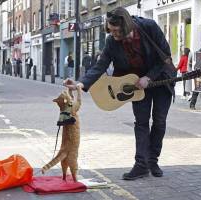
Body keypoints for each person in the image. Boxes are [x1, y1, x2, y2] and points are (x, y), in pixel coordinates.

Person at [64, 7, 176, 180]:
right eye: (110, 30)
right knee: (141, 123)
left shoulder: (149, 27)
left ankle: (152, 160)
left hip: (161, 79)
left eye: (116, 30)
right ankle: (141, 165)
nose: (113, 34)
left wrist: (149, 76)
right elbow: (100, 66)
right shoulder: (112, 41)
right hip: (136, 85)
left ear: (127, 26)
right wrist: (80, 84)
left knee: (159, 122)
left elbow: (165, 57)